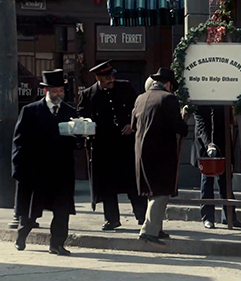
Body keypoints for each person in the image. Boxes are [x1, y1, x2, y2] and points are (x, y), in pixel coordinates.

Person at [11, 69, 80, 255]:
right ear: (46, 91)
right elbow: (19, 141)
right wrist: (18, 168)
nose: (58, 94)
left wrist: (81, 136)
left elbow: (77, 143)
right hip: (37, 171)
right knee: (32, 210)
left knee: (62, 211)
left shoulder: (70, 112)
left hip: (61, 171)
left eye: (61, 91)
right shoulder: (31, 111)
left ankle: (57, 244)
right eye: (54, 91)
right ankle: (22, 234)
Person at [78, 60, 147, 231]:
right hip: (103, 148)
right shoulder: (88, 95)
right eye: (107, 77)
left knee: (133, 183)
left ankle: (142, 217)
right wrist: (87, 128)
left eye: (112, 76)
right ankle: (112, 219)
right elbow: (81, 118)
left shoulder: (125, 88)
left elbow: (138, 109)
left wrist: (132, 125)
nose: (111, 79)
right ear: (98, 78)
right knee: (107, 186)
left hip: (125, 146)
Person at [132, 68, 188, 244]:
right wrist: (184, 118)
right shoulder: (168, 98)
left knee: (152, 190)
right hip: (160, 152)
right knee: (162, 190)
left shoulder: (141, 98)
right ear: (168, 84)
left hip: (141, 150)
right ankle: (148, 230)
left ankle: (157, 228)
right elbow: (179, 127)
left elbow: (133, 125)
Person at [190, 106, 241, 229]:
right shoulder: (201, 103)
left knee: (226, 180)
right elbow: (201, 125)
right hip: (205, 146)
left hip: (222, 143)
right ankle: (207, 217)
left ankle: (229, 216)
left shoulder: (222, 102)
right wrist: (209, 144)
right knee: (207, 180)